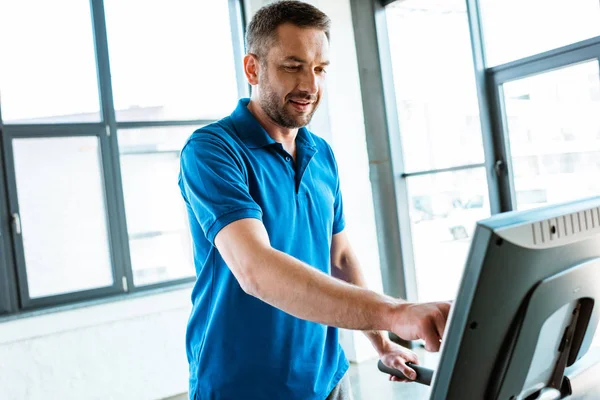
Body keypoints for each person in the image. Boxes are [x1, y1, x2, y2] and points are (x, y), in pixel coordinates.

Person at [178, 1, 451, 399]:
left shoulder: (321, 154)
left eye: (320, 68)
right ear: (253, 68)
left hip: (326, 378)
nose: (310, 85)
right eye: (293, 66)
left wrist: (381, 342)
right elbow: (255, 269)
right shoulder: (213, 150)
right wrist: (395, 313)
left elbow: (338, 257)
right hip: (242, 385)